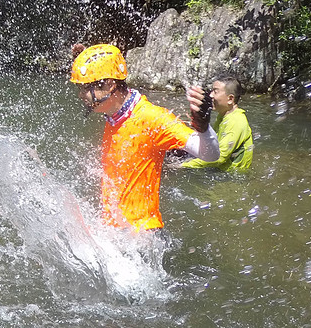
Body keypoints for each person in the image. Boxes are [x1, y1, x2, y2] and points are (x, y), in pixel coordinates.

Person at [70, 43, 220, 232]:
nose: (81, 95)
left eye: (86, 88)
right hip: (114, 233)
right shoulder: (114, 113)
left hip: (140, 239)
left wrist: (204, 126)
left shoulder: (151, 118)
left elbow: (211, 155)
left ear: (109, 84)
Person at [180, 77, 253, 172]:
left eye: (215, 92)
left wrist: (183, 165)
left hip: (230, 176)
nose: (210, 95)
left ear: (230, 99)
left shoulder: (236, 121)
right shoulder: (224, 115)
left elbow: (219, 157)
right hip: (219, 169)